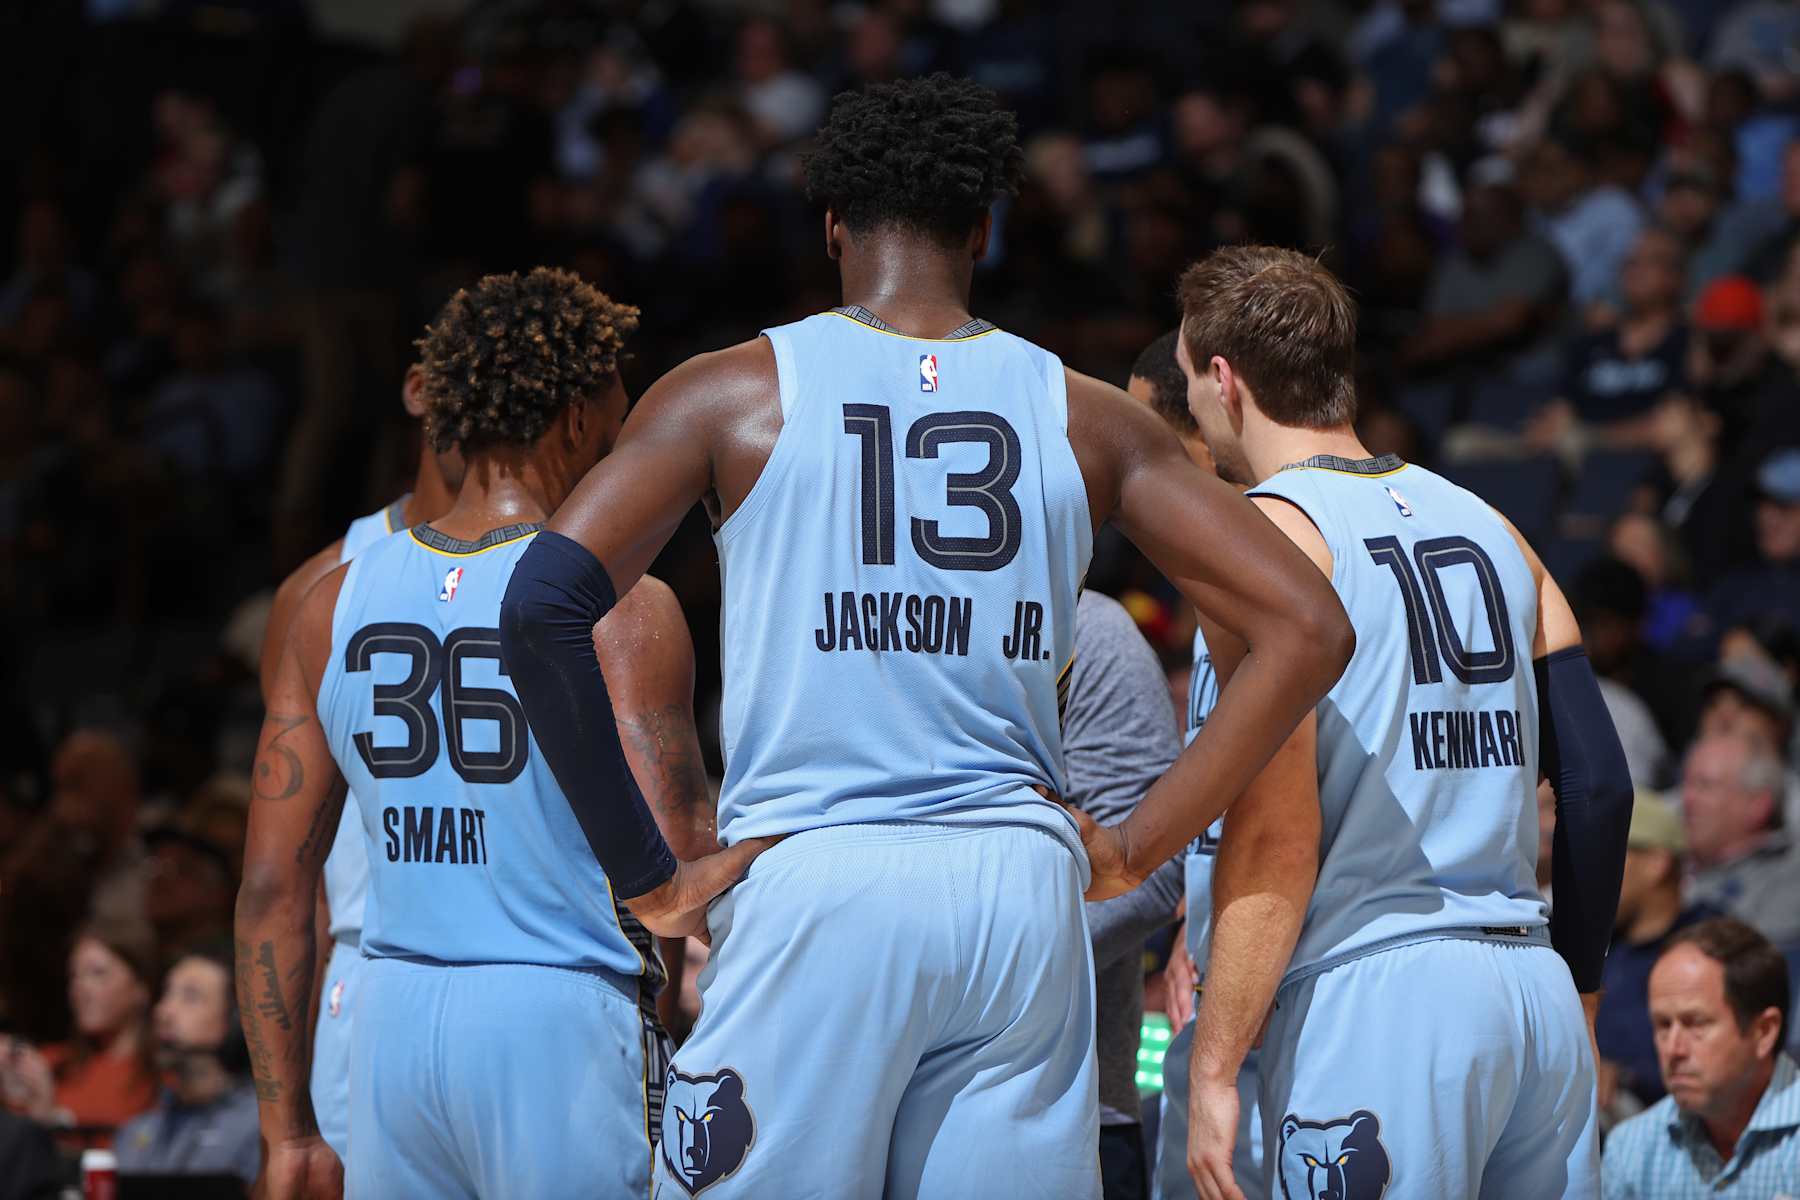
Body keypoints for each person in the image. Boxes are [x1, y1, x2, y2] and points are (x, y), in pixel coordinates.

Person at [500, 75, 1352, 1200]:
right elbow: (1309, 625)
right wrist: (1141, 845)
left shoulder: (732, 393)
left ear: (833, 226)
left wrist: (646, 878)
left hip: (819, 877)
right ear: (983, 231)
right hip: (1016, 894)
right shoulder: (1087, 412)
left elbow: (538, 607)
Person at [238, 268, 724, 1199]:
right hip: (558, 1017)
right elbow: (679, 850)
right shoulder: (621, 604)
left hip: (390, 1025)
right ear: (579, 417)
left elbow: (271, 888)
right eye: (618, 405)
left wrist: (288, 1129)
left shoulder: (326, 602)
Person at [1175, 244, 1633, 1199]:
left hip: (1375, 995)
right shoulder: (1494, 524)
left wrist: (1213, 1066)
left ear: (1224, 381)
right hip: (1528, 989)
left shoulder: (1258, 543)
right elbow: (1599, 788)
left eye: (1186, 382)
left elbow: (1278, 835)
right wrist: (1579, 999)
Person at [255, 355, 464, 1165]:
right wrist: (283, 1123)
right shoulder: (320, 591)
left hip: (541, 977)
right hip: (370, 977)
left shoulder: (581, 577)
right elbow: (284, 878)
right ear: (417, 389)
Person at [1067, 581, 1185, 1200]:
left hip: (1074, 1104)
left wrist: (975, 970)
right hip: (870, 1089)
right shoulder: (839, 619)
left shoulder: (1086, 629)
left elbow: (1154, 867)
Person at [1602, 917, 1799, 1198]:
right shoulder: (1631, 1150)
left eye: (1695, 1023)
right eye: (1662, 1025)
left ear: (1763, 1031)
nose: (1673, 1049)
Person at [1597, 792, 1721, 1109]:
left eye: (1609, 852)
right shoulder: (1588, 941)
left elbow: (1726, 1058)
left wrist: (1624, 1077)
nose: (1592, 867)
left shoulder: (1714, 947)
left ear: (1656, 864)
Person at [0, 923, 158, 1150]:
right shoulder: (48, 1064)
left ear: (140, 988)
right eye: (74, 976)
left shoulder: (159, 1079)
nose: (81, 988)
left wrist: (49, 1118)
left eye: (97, 973)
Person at [114, 942, 260, 1186]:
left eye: (190, 997)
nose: (164, 1011)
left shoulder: (259, 1132)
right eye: (166, 994)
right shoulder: (135, 1134)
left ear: (235, 1020)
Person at [1679, 734, 1800, 947]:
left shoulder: (1789, 879)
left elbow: (1758, 967)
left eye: (1705, 785)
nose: (1687, 799)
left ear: (1757, 805)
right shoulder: (1666, 862)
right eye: (1686, 784)